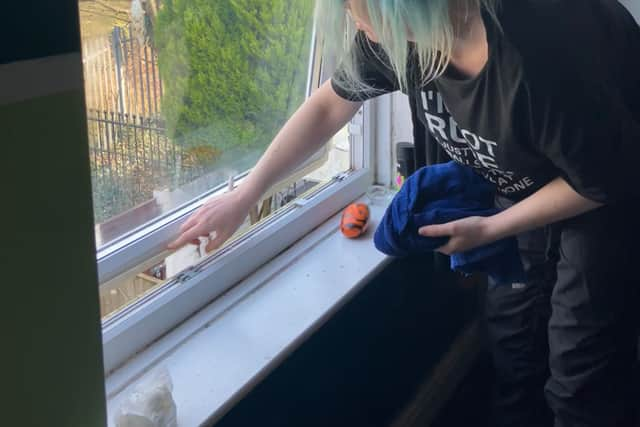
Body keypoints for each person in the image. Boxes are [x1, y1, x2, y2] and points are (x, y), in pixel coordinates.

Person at [169, 1, 640, 425]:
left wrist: (492, 227)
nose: (351, 15)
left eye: (356, 3)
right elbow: (331, 104)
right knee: (513, 335)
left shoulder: (537, 52)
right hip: (530, 180)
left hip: (607, 185)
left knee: (580, 364)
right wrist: (245, 195)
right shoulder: (400, 36)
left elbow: (602, 180)